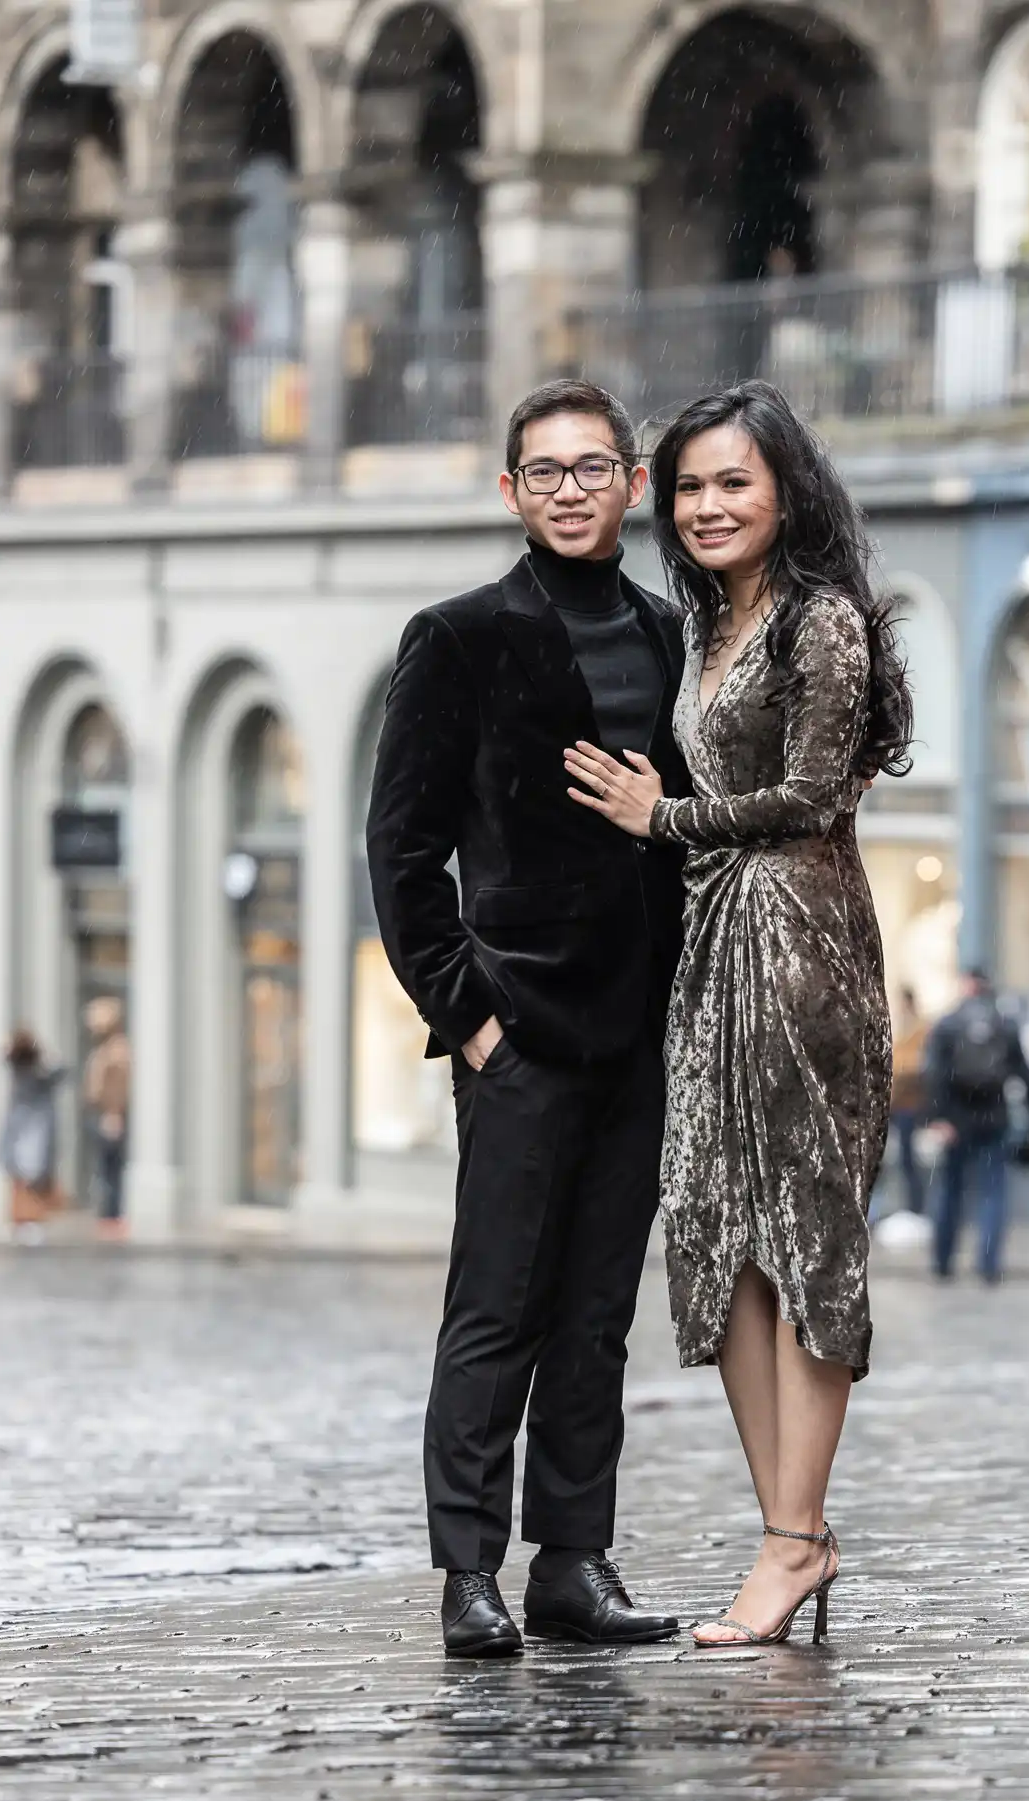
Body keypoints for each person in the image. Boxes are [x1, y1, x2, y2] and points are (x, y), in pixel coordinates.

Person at [563, 379, 912, 1648]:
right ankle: (795, 1536)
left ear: (785, 493)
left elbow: (814, 797)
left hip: (801, 944)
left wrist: (661, 815)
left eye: (734, 483)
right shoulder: (712, 623)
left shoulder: (818, 621)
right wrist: (676, 797)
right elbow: (731, 780)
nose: (708, 506)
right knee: (721, 1236)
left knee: (805, 1233)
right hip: (713, 945)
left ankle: (785, 1539)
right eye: (691, 486)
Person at [366, 379, 690, 1659]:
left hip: (638, 1029)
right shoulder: (458, 636)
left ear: (632, 485)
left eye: (591, 467)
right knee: (495, 1307)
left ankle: (573, 1559)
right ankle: (468, 1571)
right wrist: (465, 1013)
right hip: (519, 1029)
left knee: (599, 1310)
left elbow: (685, 831)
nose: (568, 488)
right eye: (543, 471)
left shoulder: (670, 637)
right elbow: (402, 852)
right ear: (510, 491)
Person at [925, 969, 1029, 1284]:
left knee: (951, 1189)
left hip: (956, 1120)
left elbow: (934, 1075)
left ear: (965, 986)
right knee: (993, 1192)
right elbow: (1027, 1077)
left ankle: (943, 1261)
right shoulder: (1004, 1024)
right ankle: (988, 1264)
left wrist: (938, 1118)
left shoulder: (948, 1024)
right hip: (994, 1117)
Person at [0, 1031, 66, 1244]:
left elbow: (61, 1071)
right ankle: (26, 1219)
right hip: (28, 1129)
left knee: (29, 1176)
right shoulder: (28, 1073)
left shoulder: (32, 1075)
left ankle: (28, 1219)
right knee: (27, 1176)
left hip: (29, 1129)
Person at [82, 997, 131, 1239]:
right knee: (105, 1167)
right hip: (98, 1112)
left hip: (108, 1115)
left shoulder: (117, 1050)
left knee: (111, 1168)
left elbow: (117, 1087)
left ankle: (112, 1217)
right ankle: (107, 1215)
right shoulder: (104, 1049)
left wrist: (114, 1113)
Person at [889, 986, 929, 1215]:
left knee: (907, 1158)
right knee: (900, 1158)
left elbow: (913, 1066)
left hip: (908, 1103)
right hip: (897, 1103)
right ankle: (907, 1206)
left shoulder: (918, 1030)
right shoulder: (901, 1029)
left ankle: (915, 1207)